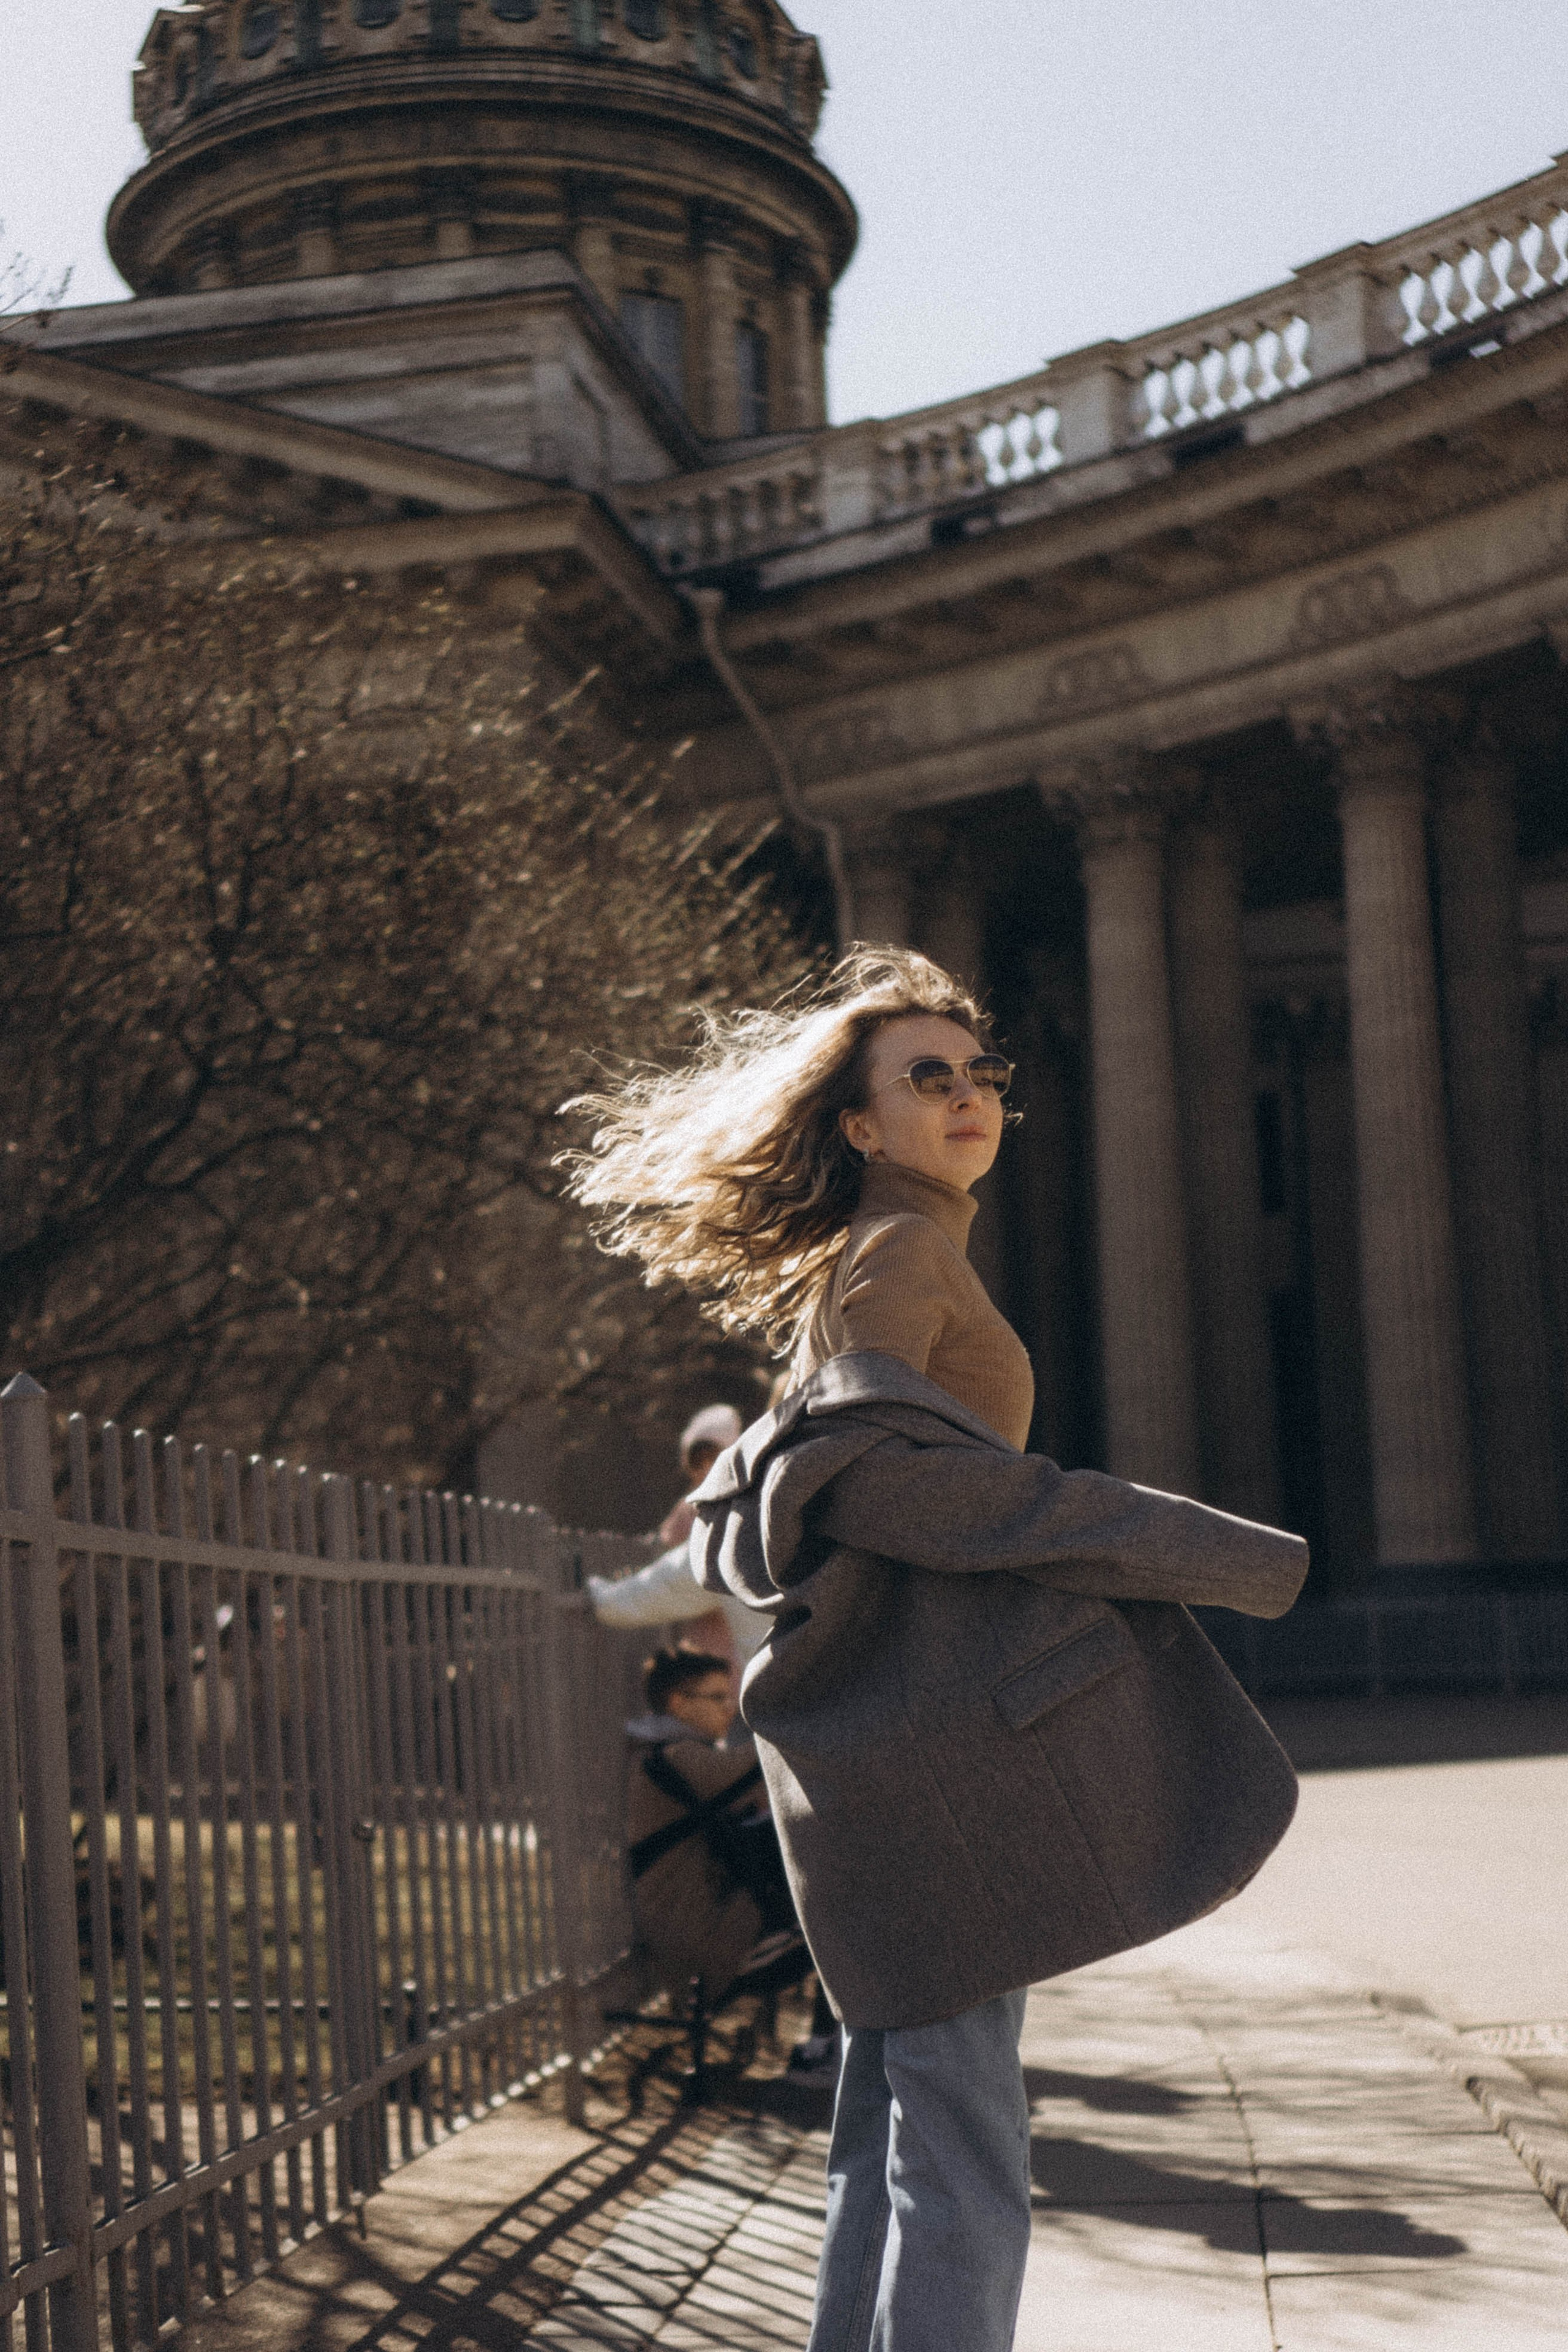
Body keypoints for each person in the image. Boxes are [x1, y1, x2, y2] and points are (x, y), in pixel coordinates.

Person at [567, 947, 1307, 2352]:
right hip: (930, 1755)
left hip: (879, 1754)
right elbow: (871, 1481)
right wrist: (1193, 1544)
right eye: (925, 1078)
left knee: (893, 2119)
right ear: (858, 1124)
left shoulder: (860, 1265)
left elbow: (769, 1497)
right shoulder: (896, 1251)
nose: (967, 1098)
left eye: (979, 1075)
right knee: (959, 2146)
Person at [627, 1646, 839, 2074]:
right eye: (718, 1698)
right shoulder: (671, 1756)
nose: (731, 1709)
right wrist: (794, 1718)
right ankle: (823, 2054)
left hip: (710, 1923)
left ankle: (828, 2049)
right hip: (707, 1941)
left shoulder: (667, 1751)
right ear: (678, 1704)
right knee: (845, 1934)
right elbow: (748, 1771)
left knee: (841, 1922)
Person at [586, 1403, 763, 1665]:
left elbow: (673, 1576)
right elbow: (673, 1564)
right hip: (709, 1625)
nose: (707, 1469)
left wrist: (604, 1599)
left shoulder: (730, 1526)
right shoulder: (698, 1510)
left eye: (715, 1458)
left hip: (735, 1636)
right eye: (699, 1461)